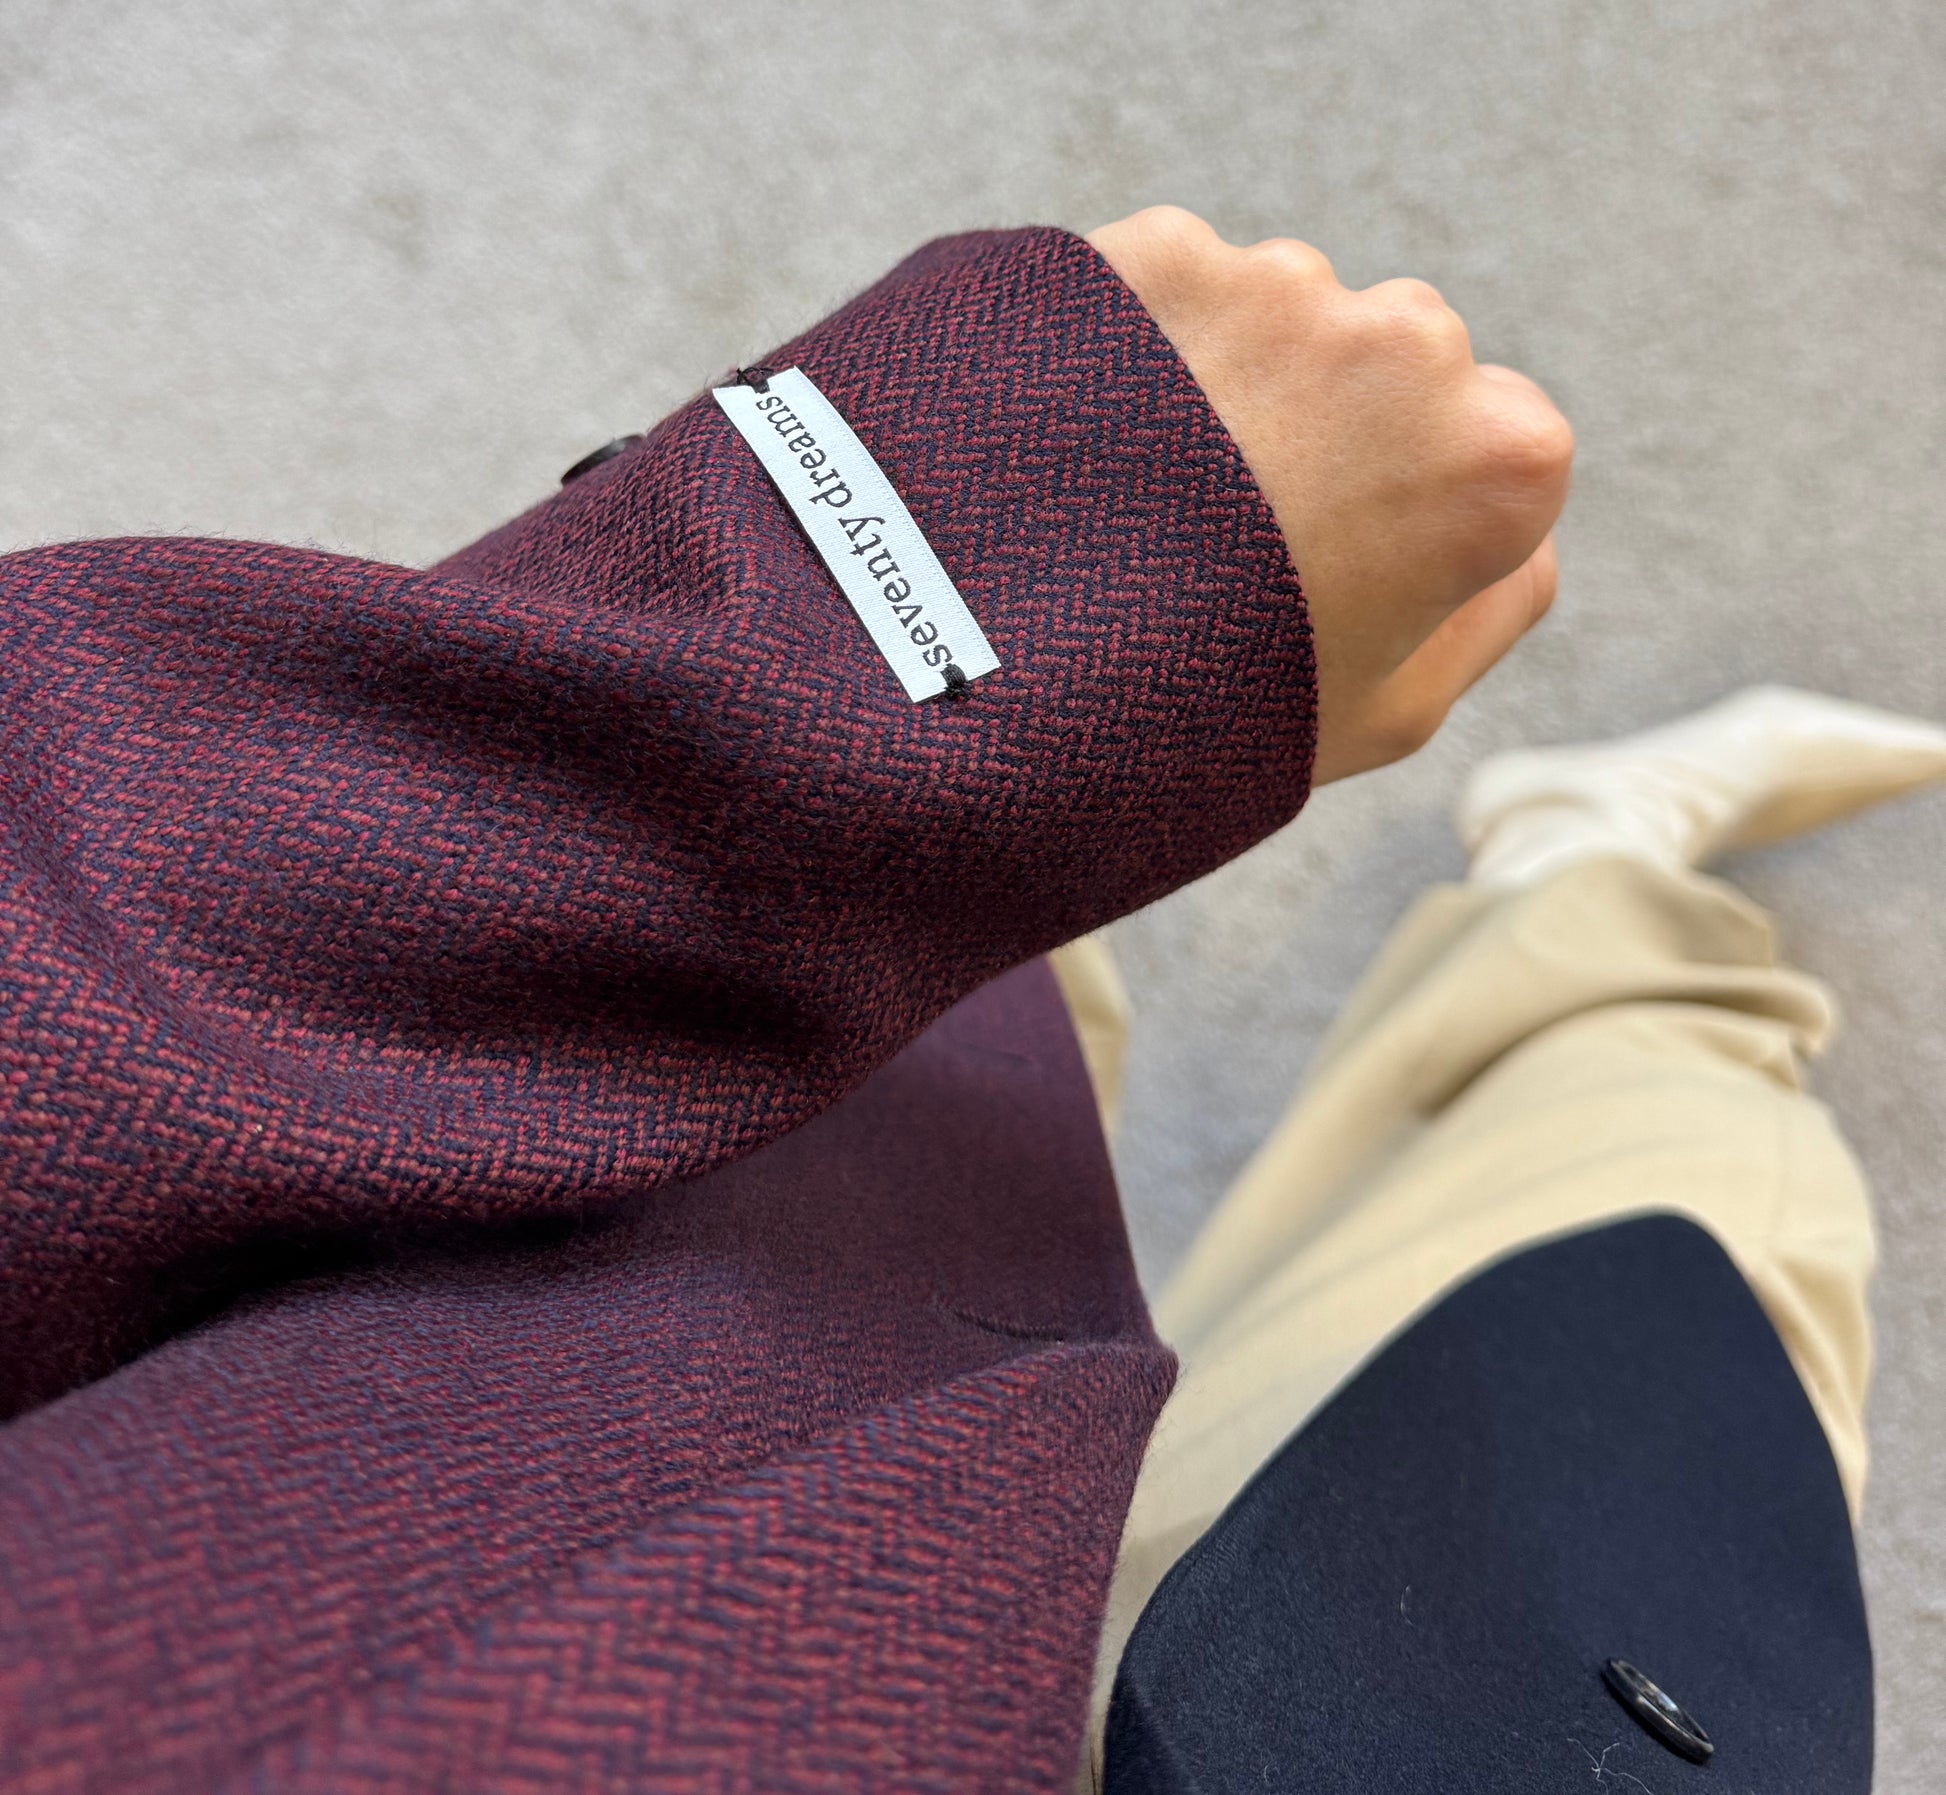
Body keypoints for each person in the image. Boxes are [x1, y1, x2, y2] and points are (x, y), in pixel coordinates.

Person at [0, 208, 1937, 1793]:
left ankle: (1062, 855)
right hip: (1112, 1678)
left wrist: (920, 618)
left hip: (578, 1361)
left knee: (962, 991)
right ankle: (1598, 879)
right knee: (1680, 1217)